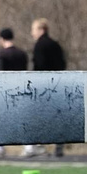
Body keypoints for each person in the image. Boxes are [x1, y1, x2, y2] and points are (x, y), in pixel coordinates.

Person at [22, 17, 69, 157]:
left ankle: (37, 145)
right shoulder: (56, 45)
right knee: (56, 116)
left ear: (41, 30)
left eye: (34, 30)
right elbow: (62, 65)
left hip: (44, 87)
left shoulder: (40, 45)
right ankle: (59, 143)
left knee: (37, 115)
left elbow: (39, 66)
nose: (32, 33)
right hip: (58, 85)